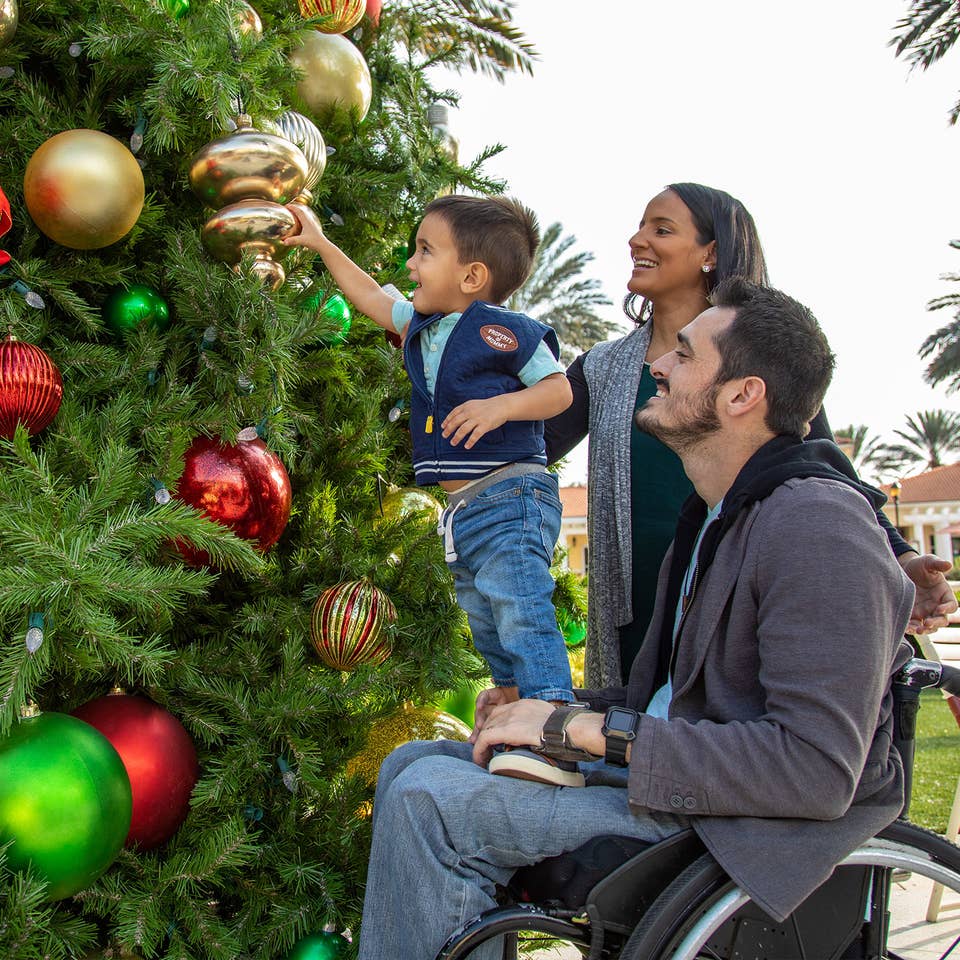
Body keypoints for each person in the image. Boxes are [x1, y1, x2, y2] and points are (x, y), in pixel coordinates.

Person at [355, 278, 915, 960]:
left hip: (731, 825)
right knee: (411, 762)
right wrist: (541, 710)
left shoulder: (818, 526)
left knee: (430, 802)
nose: (659, 364)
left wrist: (580, 729)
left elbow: (814, 768)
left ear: (743, 395)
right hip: (676, 787)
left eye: (684, 355)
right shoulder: (716, 515)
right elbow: (673, 703)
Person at [545, 182, 957, 687]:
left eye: (661, 229)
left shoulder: (764, 363)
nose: (637, 240)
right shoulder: (602, 369)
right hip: (639, 610)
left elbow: (824, 471)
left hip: (739, 601)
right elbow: (520, 446)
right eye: (639, 226)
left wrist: (904, 558)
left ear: (710, 252)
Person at [284, 195, 582, 785]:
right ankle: (514, 712)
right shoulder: (422, 328)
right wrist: (319, 242)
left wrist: (502, 408)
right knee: (486, 618)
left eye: (425, 251)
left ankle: (555, 733)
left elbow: (558, 393)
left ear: (472, 276)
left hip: (511, 496)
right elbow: (370, 296)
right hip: (465, 509)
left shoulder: (506, 331)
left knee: (520, 606)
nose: (412, 264)